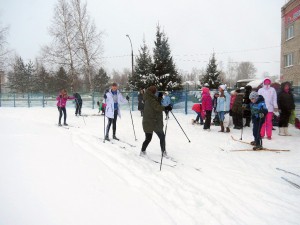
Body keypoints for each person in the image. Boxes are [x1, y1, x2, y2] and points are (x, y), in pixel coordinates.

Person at [140, 86, 172, 156]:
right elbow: (157, 107)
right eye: (156, 92)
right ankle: (143, 151)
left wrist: (159, 98)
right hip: (151, 122)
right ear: (153, 92)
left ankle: (163, 151)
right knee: (149, 138)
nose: (157, 93)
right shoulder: (150, 100)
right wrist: (166, 107)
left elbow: (155, 104)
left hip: (152, 121)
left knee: (158, 137)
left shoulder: (149, 97)